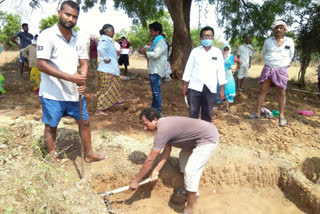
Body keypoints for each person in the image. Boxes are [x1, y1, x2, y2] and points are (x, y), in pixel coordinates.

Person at [36, 0, 106, 163]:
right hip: (52, 93)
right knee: (51, 126)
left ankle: (89, 154)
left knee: (85, 122)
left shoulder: (80, 37)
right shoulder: (47, 35)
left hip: (74, 93)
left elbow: (84, 62)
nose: (71, 19)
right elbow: (41, 65)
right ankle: (53, 159)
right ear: (59, 12)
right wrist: (71, 78)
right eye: (67, 14)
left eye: (75, 17)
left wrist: (82, 79)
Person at [129, 107, 219, 214]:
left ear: (154, 119)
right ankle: (190, 189)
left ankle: (189, 209)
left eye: (146, 124)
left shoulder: (163, 130)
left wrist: (136, 181)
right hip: (196, 139)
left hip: (208, 138)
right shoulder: (164, 125)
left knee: (191, 171)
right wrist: (156, 170)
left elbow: (150, 160)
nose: (144, 128)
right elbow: (167, 151)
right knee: (184, 160)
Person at [249, 20, 295, 127]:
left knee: (281, 92)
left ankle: (281, 117)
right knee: (263, 90)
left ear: (284, 29)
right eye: (277, 28)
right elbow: (264, 54)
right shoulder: (267, 41)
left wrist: (283, 65)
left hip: (282, 69)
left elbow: (291, 55)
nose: (279, 29)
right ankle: (258, 113)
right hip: (268, 68)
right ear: (274, 29)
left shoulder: (290, 41)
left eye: (281, 28)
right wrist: (270, 63)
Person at [182, 26, 227, 122]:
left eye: (209, 36)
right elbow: (188, 68)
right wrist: (185, 86)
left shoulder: (217, 52)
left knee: (207, 114)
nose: (207, 38)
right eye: (205, 36)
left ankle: (205, 135)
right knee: (193, 113)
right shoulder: (195, 51)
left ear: (213, 38)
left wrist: (222, 89)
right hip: (195, 87)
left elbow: (221, 71)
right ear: (201, 38)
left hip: (210, 88)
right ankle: (193, 135)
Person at [137, 22, 168, 113]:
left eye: (152, 31)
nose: (151, 33)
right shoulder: (157, 41)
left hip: (156, 70)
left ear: (157, 32)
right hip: (154, 68)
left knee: (156, 91)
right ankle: (154, 108)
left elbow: (156, 54)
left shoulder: (160, 41)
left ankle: (158, 110)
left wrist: (144, 52)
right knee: (154, 90)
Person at [94, 24, 123, 116]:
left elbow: (107, 51)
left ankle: (105, 108)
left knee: (112, 89)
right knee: (106, 90)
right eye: (113, 31)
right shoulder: (105, 39)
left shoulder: (108, 41)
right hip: (107, 70)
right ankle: (99, 110)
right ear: (107, 31)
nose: (114, 33)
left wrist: (116, 53)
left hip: (111, 70)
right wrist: (106, 58)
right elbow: (100, 49)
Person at [216, 44, 242, 112]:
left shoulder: (232, 57)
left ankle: (227, 108)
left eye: (227, 49)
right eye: (225, 49)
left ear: (229, 50)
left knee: (228, 90)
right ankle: (219, 106)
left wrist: (235, 70)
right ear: (223, 49)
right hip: (221, 74)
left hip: (229, 74)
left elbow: (240, 62)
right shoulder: (219, 56)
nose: (226, 51)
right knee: (220, 89)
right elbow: (213, 60)